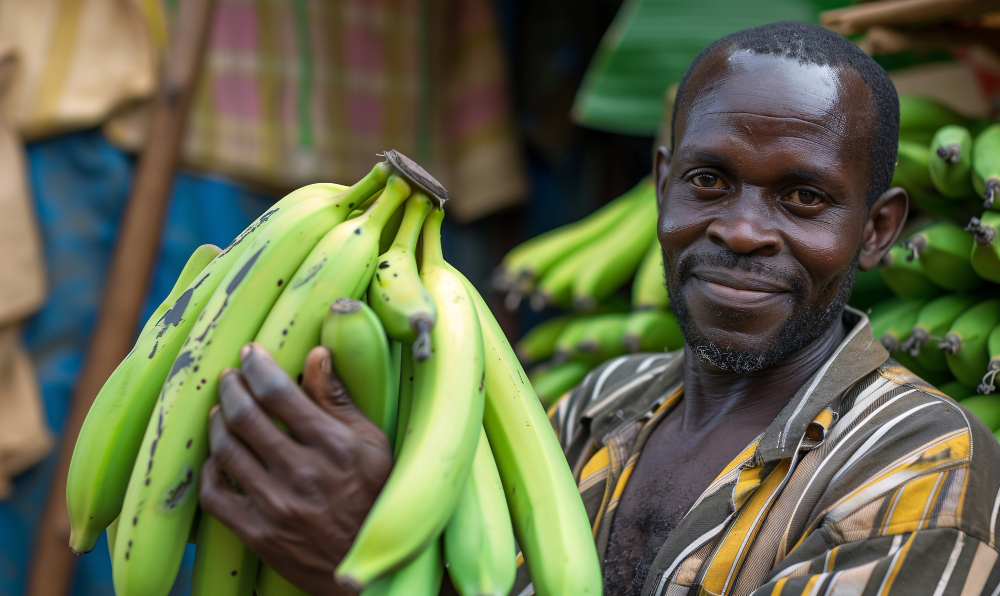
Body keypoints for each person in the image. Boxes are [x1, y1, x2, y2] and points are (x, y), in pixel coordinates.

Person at [198, 21, 1000, 596]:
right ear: (661, 185)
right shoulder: (595, 405)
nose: (744, 231)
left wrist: (365, 568)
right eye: (710, 180)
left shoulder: (921, 467)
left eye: (803, 196)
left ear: (877, 229)